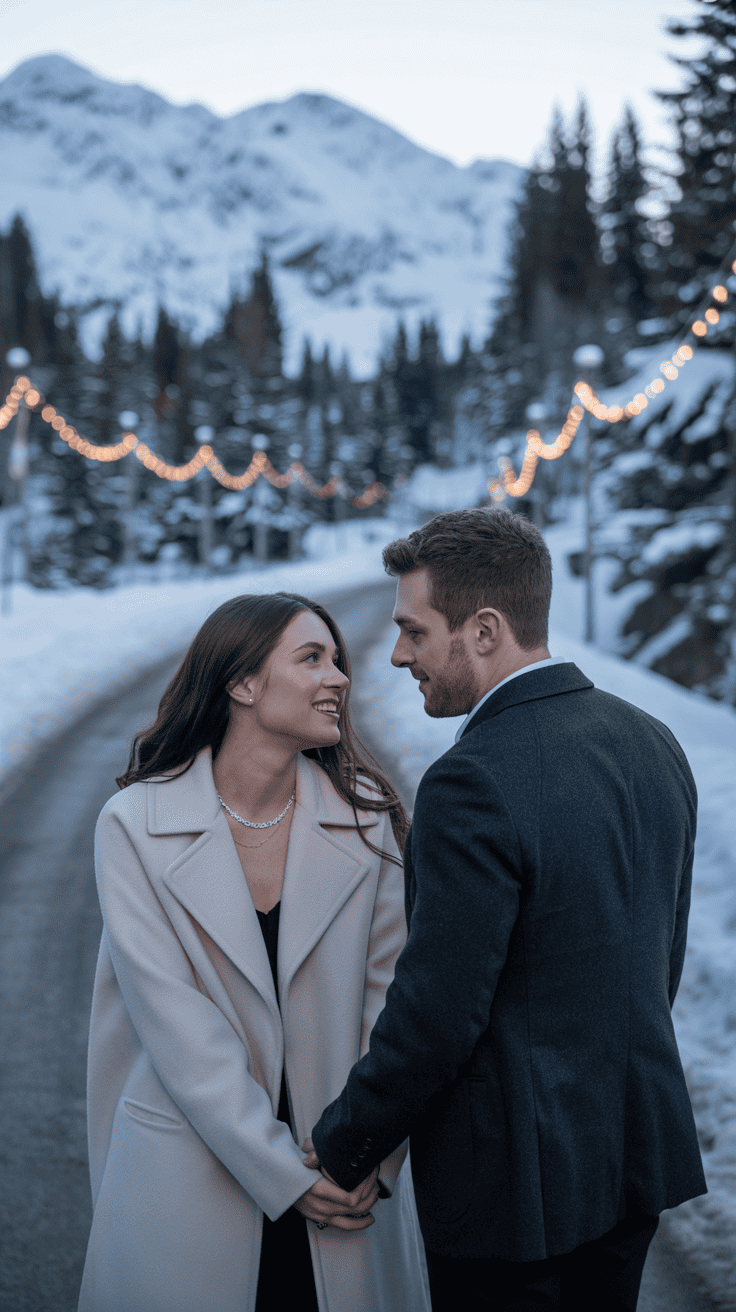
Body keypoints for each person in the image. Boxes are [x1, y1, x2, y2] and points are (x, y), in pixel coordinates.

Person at [309, 508, 707, 1312]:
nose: (397, 655)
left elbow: (439, 1012)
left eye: (414, 631)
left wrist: (343, 1145)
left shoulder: (472, 780)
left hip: (513, 1192)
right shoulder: (653, 741)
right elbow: (656, 959)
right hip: (630, 1157)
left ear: (484, 629)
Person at [78, 592, 430, 1312]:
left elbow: (393, 1008)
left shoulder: (366, 819)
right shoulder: (135, 825)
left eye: (338, 660)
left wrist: (367, 1155)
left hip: (342, 1181)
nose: (339, 677)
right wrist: (285, 1174)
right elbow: (178, 1028)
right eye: (312, 659)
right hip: (188, 1180)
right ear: (241, 683)